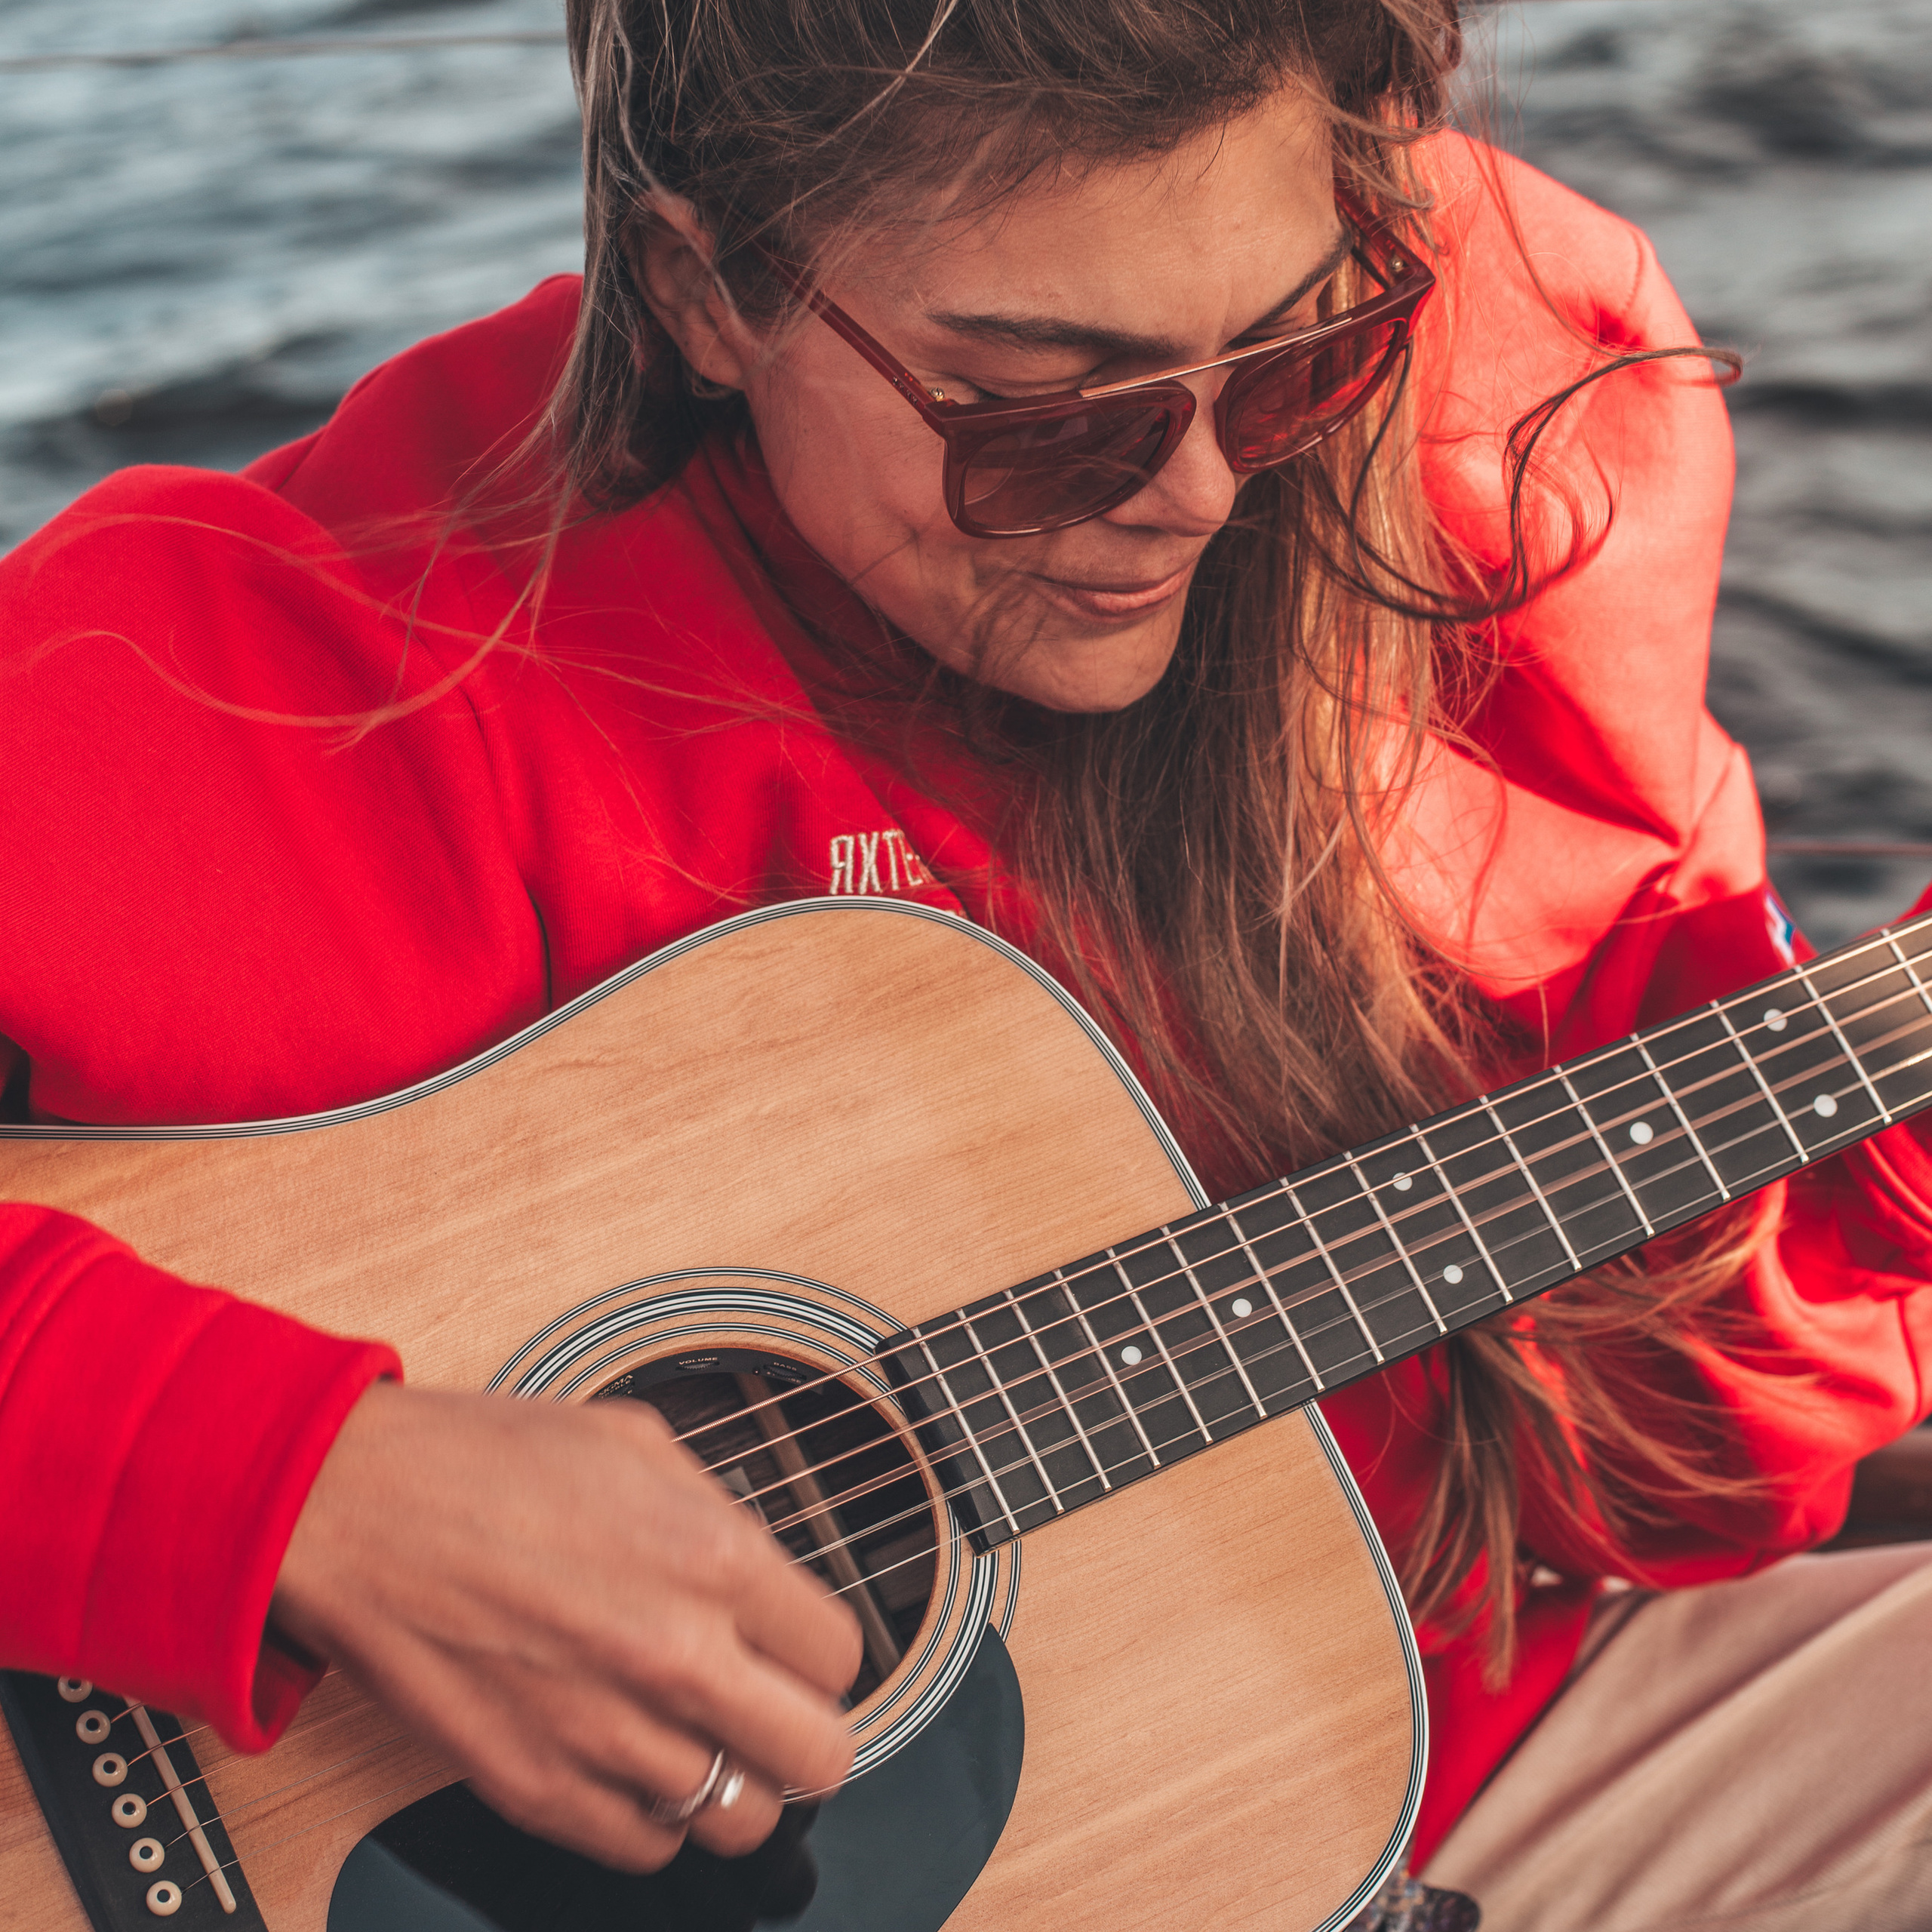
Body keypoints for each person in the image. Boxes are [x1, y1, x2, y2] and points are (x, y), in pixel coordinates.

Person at [2, 0, 1929, 1926]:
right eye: (1044, 406)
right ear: (703, 289)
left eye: (1283, 357)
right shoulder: (336, 667)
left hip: (1424, 1739)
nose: (1187, 487)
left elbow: (1661, 1478)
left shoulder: (1495, 422)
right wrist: (299, 1485)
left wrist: (1886, 1179)